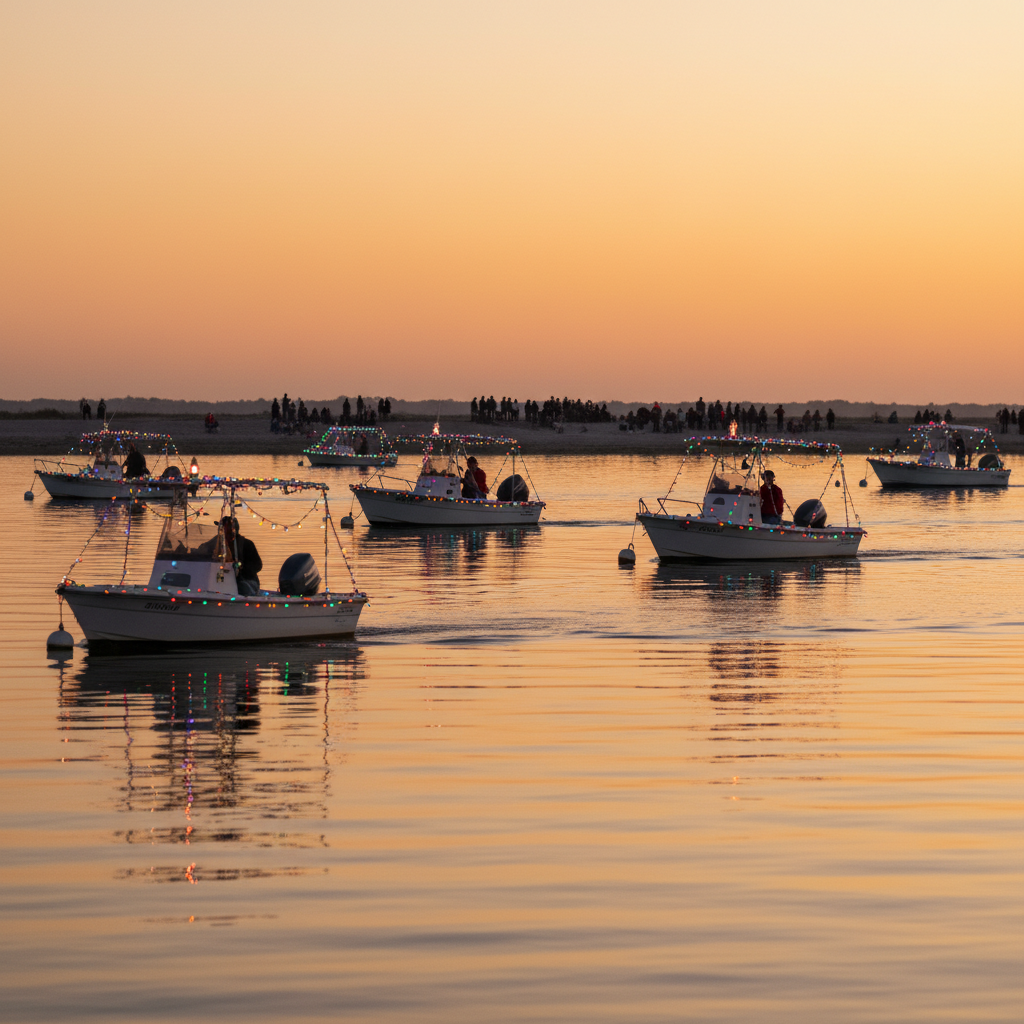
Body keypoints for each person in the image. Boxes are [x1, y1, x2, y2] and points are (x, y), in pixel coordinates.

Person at [222, 516, 263, 595]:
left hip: (247, 581)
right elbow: (204, 548)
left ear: (234, 529)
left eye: (226, 528)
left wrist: (241, 568)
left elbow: (258, 565)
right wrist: (194, 551)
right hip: (221, 581)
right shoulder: (218, 542)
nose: (223, 531)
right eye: (222, 528)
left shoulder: (247, 544)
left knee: (241, 587)